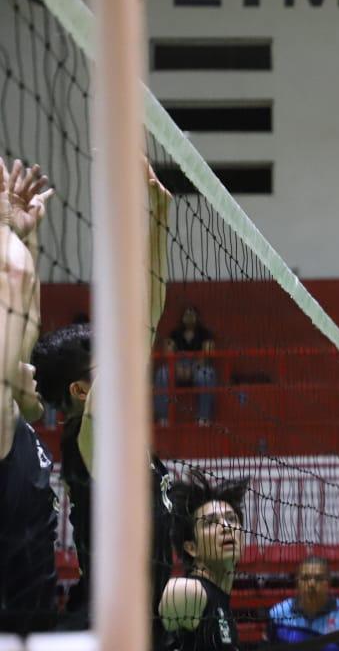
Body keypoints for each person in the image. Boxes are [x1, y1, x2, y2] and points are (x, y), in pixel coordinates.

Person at [32, 158, 176, 643]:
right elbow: (142, 326)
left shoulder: (113, 434)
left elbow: (148, 317)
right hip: (106, 626)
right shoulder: (88, 436)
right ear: (81, 391)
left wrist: (160, 217)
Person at [0, 158, 58, 635]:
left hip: (34, 620)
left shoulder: (17, 423)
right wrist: (8, 229)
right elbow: (14, 277)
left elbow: (29, 325)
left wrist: (27, 235)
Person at [160, 471, 249, 651]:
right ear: (191, 547)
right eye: (210, 523)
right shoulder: (191, 591)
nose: (226, 527)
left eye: (231, 519)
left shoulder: (220, 599)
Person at [267, 556, 339, 651]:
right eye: (305, 578)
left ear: (329, 582)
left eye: (319, 578)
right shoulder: (278, 613)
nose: (311, 584)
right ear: (297, 582)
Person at [155, 305, 219, 425]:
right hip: (177, 365)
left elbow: (207, 353)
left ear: (197, 317)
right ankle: (164, 417)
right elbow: (168, 352)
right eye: (187, 315)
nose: (189, 317)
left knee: (206, 375)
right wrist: (176, 367)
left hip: (198, 366)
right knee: (162, 374)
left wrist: (193, 368)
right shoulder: (174, 333)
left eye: (192, 314)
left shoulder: (205, 333)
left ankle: (203, 417)